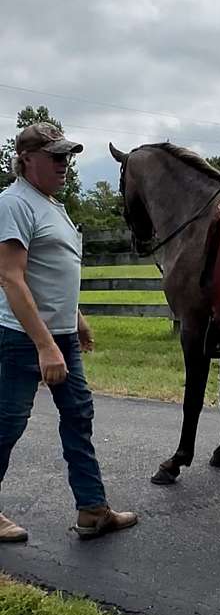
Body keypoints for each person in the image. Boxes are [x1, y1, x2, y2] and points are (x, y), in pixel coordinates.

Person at [0, 121, 137, 543]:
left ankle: (92, 509)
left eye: (68, 156)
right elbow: (10, 277)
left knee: (79, 415)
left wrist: (75, 319)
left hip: (58, 337)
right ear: (26, 160)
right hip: (23, 339)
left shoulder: (51, 205)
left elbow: (52, 272)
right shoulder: (13, 203)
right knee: (7, 423)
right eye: (56, 157)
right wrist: (45, 345)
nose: (65, 164)